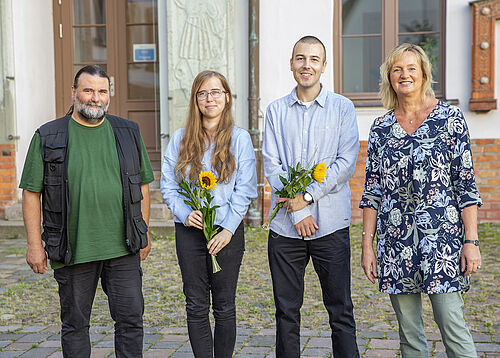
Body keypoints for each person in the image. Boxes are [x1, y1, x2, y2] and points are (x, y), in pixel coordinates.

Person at [20, 65, 154, 358]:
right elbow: (31, 193)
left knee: (131, 320)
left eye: (102, 91)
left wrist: (142, 232)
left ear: (109, 95)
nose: (96, 98)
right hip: (73, 249)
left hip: (123, 248)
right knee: (76, 324)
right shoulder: (48, 135)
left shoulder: (128, 132)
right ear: (75, 93)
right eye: (88, 90)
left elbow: (143, 186)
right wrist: (34, 245)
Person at [360, 43, 482, 357]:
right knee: (409, 334)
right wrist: (367, 245)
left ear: (424, 73)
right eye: (397, 69)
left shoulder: (450, 119)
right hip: (395, 243)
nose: (405, 75)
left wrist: (472, 241)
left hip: (442, 242)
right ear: (389, 77)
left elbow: (465, 184)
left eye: (411, 68)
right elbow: (372, 191)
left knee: (452, 325)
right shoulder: (381, 128)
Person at [262, 35, 360, 358]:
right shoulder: (275, 111)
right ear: (291, 64)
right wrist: (297, 211)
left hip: (330, 225)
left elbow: (345, 163)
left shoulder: (343, 108)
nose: (307, 65)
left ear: (324, 66)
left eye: (314, 59)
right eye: (300, 59)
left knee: (340, 310)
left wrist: (307, 197)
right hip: (286, 231)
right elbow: (272, 165)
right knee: (286, 312)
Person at [160, 70, 257, 357]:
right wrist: (183, 212)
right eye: (202, 93)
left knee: (225, 305)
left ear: (226, 98)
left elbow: (245, 189)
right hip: (190, 232)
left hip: (227, 234)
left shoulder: (239, 139)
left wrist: (227, 229)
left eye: (215, 92)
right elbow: (168, 183)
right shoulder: (180, 139)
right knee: (196, 304)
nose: (209, 98)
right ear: (195, 100)